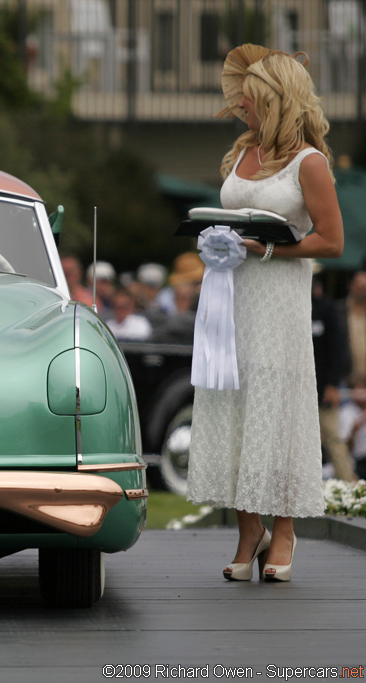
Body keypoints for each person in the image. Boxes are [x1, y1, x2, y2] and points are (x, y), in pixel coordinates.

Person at [186, 45, 344, 583]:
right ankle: (247, 530)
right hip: (231, 294)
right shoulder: (239, 154)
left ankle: (284, 531)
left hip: (279, 300)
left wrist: (271, 249)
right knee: (235, 401)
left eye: (249, 101)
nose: (241, 108)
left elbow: (332, 242)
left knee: (275, 408)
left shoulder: (311, 162)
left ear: (276, 100)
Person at [311, 272, 357, 482]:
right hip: (294, 389)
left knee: (334, 439)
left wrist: (332, 385)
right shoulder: (288, 308)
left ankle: (348, 486)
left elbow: (338, 349)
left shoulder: (326, 308)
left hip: (322, 388)